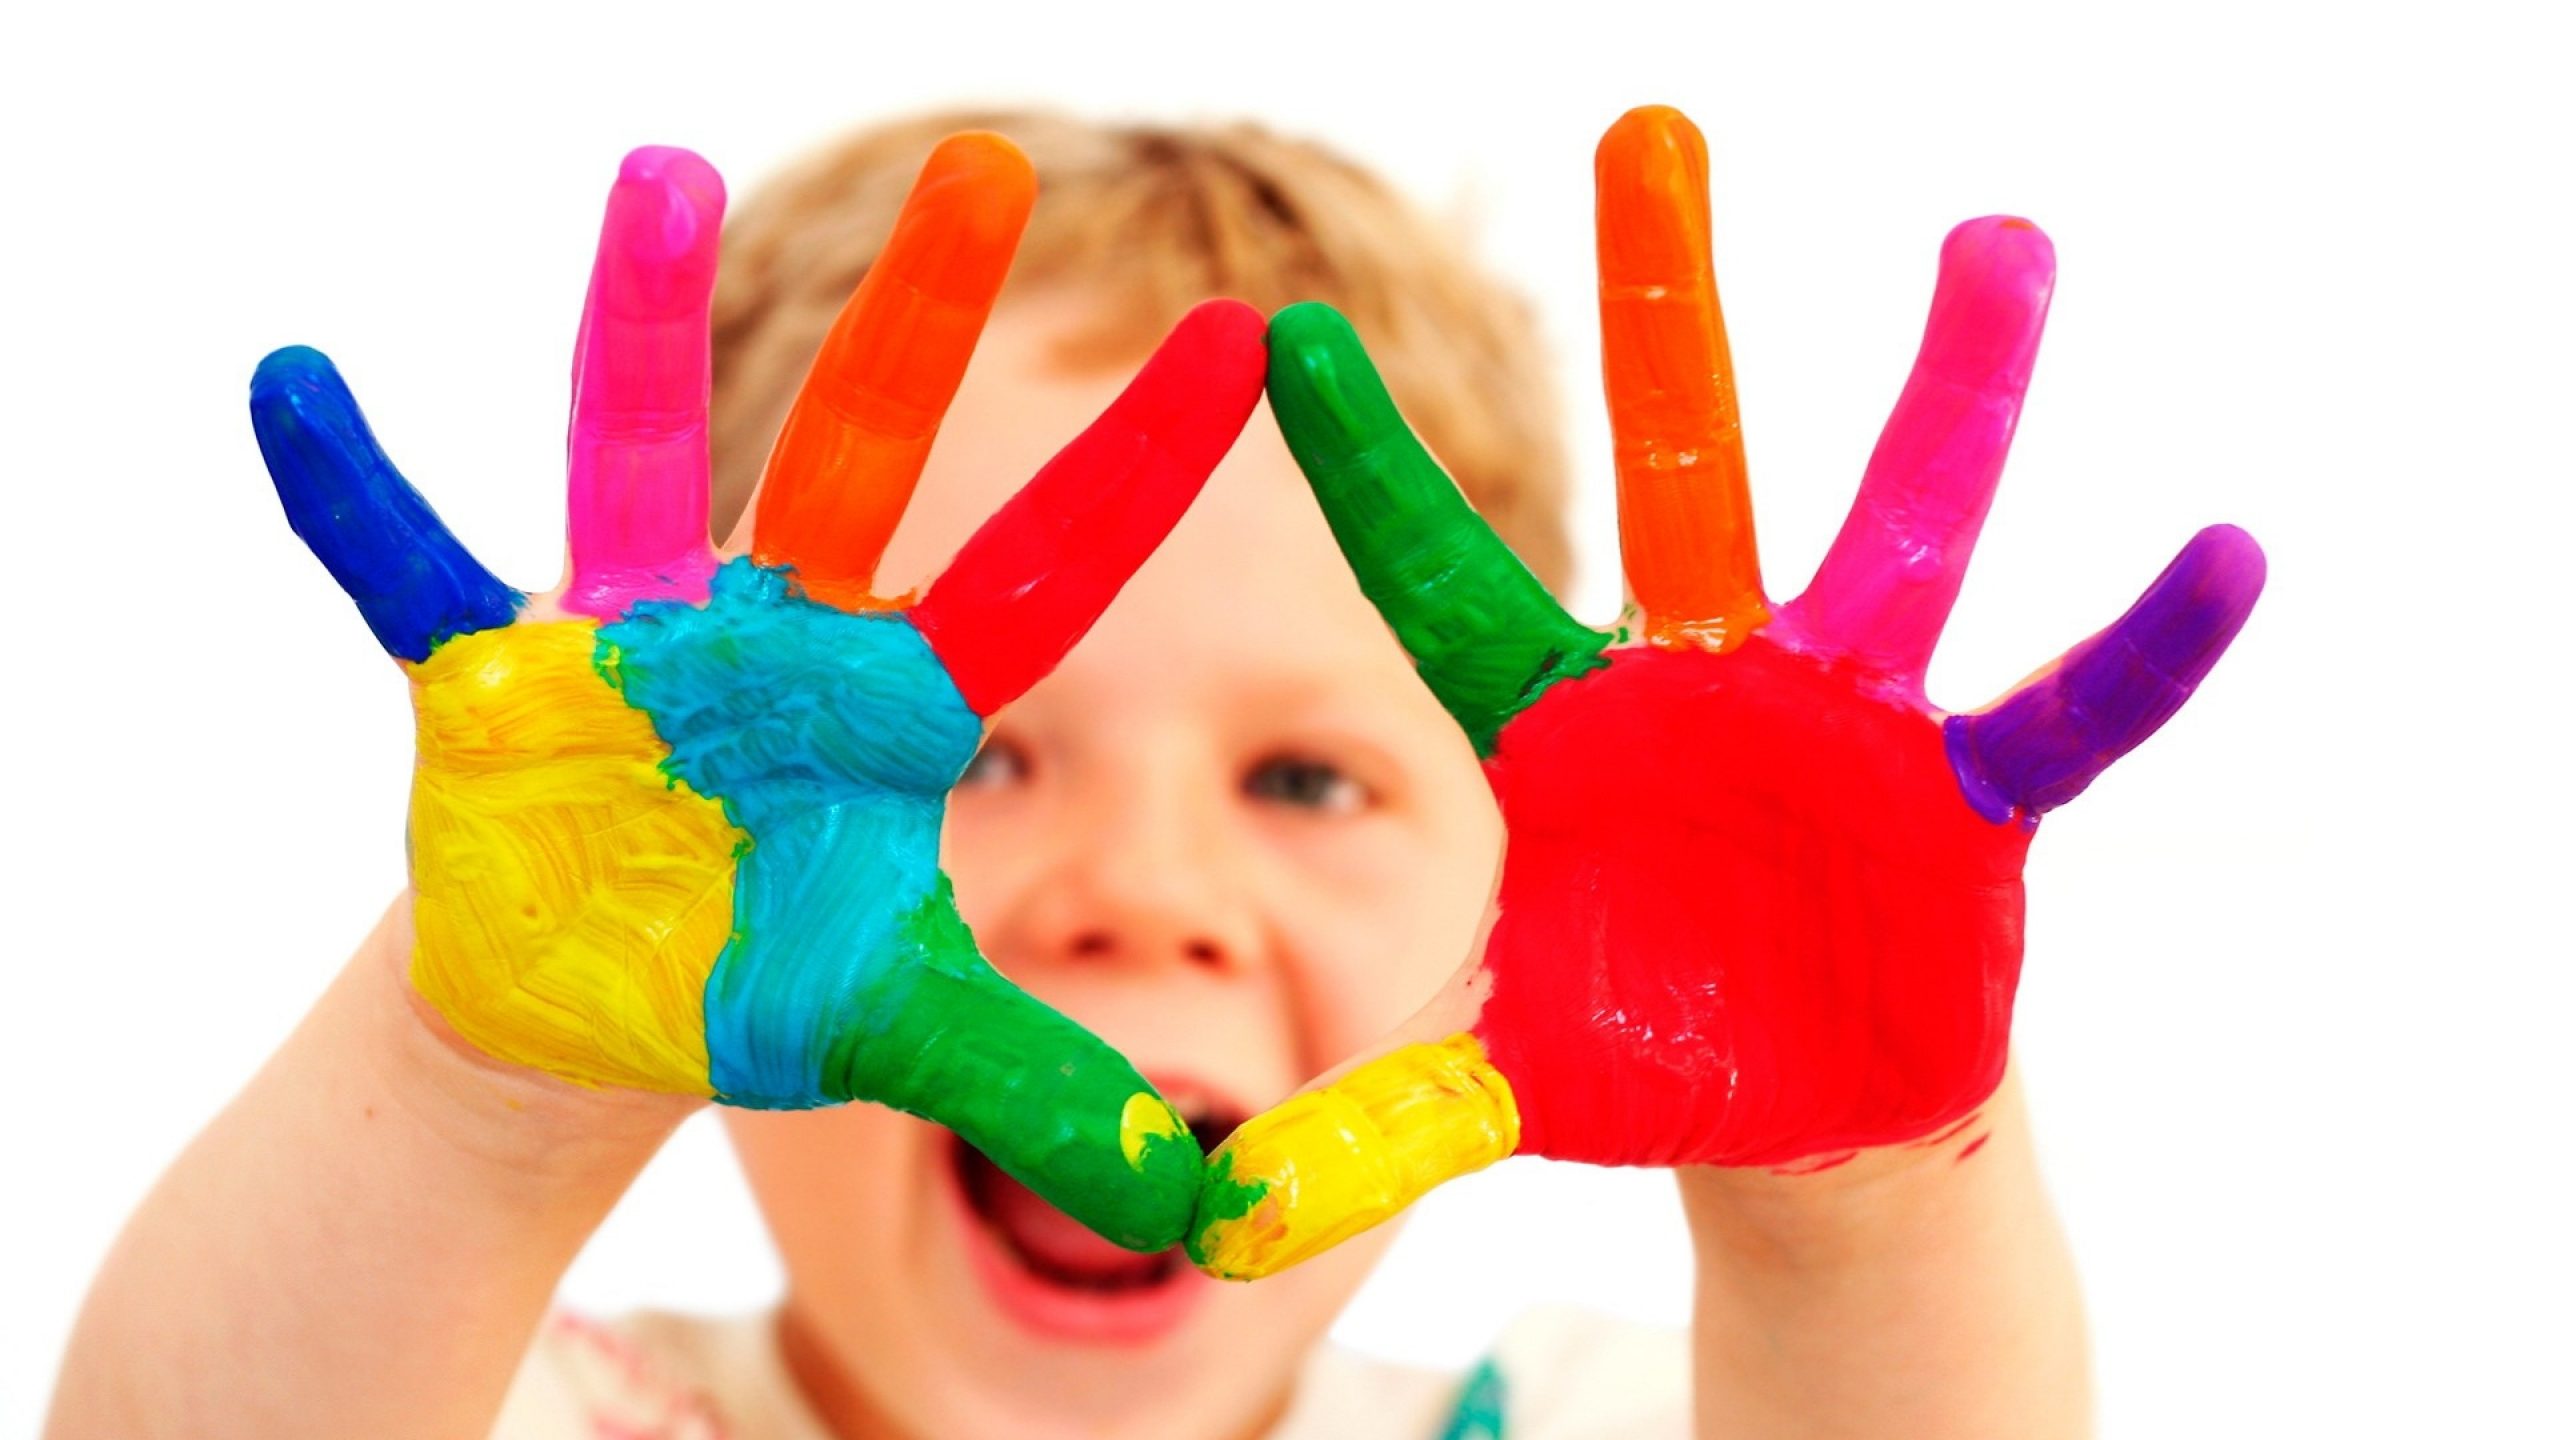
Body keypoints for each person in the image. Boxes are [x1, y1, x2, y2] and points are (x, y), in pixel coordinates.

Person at [47, 110, 2102, 1439]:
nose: (1139, 887)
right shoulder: (531, 1410)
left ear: (1505, 886)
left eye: (1303, 780)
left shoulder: (1563, 1419)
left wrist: (1857, 1197)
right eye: (984, 750)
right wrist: (484, 1098)